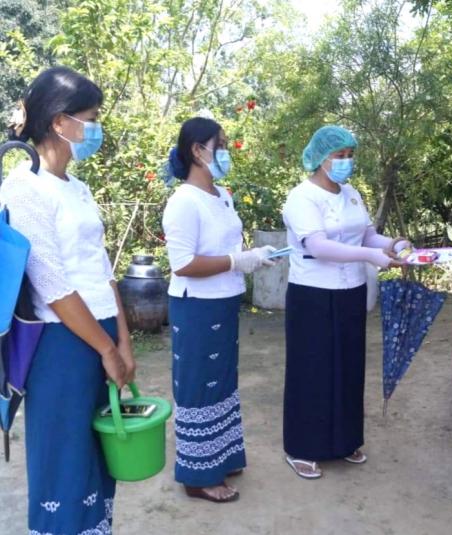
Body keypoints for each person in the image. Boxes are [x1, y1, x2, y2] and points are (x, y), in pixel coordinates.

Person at [0, 66, 135, 533]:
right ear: (61, 122)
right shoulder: (24, 187)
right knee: (65, 459)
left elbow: (102, 269)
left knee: (97, 457)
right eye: (91, 119)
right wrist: (106, 348)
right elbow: (52, 286)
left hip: (100, 334)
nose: (96, 129)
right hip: (63, 344)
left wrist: (123, 341)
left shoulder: (77, 188)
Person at [282, 125, 407, 479]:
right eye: (339, 156)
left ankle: (345, 440)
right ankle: (302, 447)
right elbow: (318, 246)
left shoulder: (351, 193)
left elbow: (367, 235)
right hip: (313, 293)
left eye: (350, 155)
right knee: (312, 369)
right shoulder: (302, 197)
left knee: (349, 366)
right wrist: (370, 256)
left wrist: (392, 245)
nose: (346, 162)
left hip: (351, 289)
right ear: (321, 157)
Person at [162, 117, 276, 503]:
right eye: (221, 145)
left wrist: (252, 257)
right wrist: (237, 261)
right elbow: (182, 263)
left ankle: (222, 456)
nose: (226, 152)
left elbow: (227, 248)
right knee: (199, 384)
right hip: (196, 307)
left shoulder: (221, 194)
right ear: (198, 150)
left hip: (224, 300)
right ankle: (197, 475)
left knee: (223, 380)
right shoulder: (183, 201)